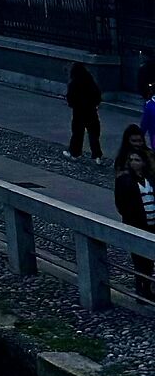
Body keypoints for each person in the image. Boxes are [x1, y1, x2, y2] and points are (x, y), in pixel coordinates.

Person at [114, 126, 155, 302]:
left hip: (152, 221)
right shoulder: (125, 179)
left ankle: (147, 288)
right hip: (137, 223)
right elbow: (122, 203)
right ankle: (143, 289)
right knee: (140, 260)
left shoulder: (150, 178)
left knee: (149, 258)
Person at [66, 60, 104, 161]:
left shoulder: (74, 83)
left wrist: (74, 104)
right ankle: (97, 155)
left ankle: (75, 152)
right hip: (91, 111)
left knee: (78, 133)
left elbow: (70, 98)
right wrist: (95, 104)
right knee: (93, 134)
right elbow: (97, 94)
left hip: (79, 111)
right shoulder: (90, 81)